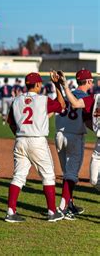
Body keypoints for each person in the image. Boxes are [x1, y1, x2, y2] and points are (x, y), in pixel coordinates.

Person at [4, 72, 65, 222]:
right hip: (37, 141)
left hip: (20, 140)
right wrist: (57, 85)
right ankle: (52, 212)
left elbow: (10, 122)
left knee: (18, 176)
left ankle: (10, 212)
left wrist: (19, 135)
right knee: (48, 176)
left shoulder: (17, 100)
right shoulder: (43, 100)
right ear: (37, 84)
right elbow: (62, 105)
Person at [54, 69, 93, 218]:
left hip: (59, 135)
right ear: (88, 81)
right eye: (91, 80)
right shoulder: (85, 99)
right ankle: (63, 208)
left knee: (67, 174)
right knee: (71, 174)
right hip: (74, 137)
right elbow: (88, 121)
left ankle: (69, 204)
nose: (93, 83)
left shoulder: (64, 95)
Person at [58, 71, 100, 193]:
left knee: (69, 173)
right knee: (93, 180)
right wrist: (65, 86)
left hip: (63, 134)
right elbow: (76, 104)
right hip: (98, 144)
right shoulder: (95, 98)